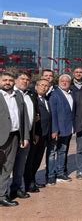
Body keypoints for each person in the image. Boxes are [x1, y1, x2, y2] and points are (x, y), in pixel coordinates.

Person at [0, 72, 30, 207]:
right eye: (4, 80)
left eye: (10, 80)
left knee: (7, 167)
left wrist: (25, 137)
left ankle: (2, 195)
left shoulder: (17, 96)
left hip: (14, 137)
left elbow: (23, 118)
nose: (8, 82)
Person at [10, 72, 36, 200]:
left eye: (27, 79)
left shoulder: (30, 94)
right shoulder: (11, 94)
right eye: (22, 79)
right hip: (13, 135)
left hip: (27, 135)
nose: (25, 81)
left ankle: (16, 188)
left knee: (21, 164)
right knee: (8, 165)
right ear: (15, 80)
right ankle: (3, 191)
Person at [47, 74, 75, 184]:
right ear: (59, 82)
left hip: (67, 129)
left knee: (62, 151)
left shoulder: (71, 94)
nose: (64, 83)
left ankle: (60, 173)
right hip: (57, 130)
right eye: (62, 81)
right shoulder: (54, 94)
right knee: (52, 153)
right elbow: (53, 114)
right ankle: (50, 175)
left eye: (67, 81)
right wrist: (54, 130)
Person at [23, 79, 50, 193]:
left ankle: (33, 179)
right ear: (36, 86)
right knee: (31, 160)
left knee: (38, 159)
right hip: (35, 134)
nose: (44, 87)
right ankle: (28, 183)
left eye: (46, 86)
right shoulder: (32, 98)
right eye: (42, 85)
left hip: (44, 134)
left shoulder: (46, 100)